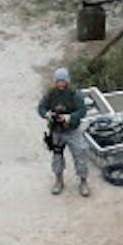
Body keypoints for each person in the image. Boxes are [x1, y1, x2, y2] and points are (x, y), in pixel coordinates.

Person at [35, 67, 91, 197]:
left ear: (67, 81)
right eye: (58, 81)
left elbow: (82, 110)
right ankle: (59, 180)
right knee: (57, 157)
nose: (60, 83)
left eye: (63, 81)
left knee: (80, 154)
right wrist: (47, 114)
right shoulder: (51, 94)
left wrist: (70, 117)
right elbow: (41, 107)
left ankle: (83, 181)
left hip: (72, 130)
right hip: (56, 131)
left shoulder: (74, 94)